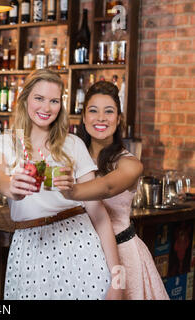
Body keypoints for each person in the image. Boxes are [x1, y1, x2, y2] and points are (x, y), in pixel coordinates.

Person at [0, 69, 123, 300]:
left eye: (54, 101)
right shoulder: (2, 143)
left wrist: (118, 280)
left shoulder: (73, 144)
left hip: (79, 243)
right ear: (25, 99)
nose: (46, 107)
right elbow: (0, 178)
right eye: (39, 98)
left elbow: (98, 212)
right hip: (29, 248)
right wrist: (14, 188)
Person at [55, 81, 169, 300]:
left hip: (123, 254)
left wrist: (71, 191)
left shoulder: (129, 163)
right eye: (93, 111)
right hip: (78, 254)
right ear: (84, 117)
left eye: (109, 112)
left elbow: (106, 188)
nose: (100, 118)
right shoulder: (69, 158)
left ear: (118, 119)